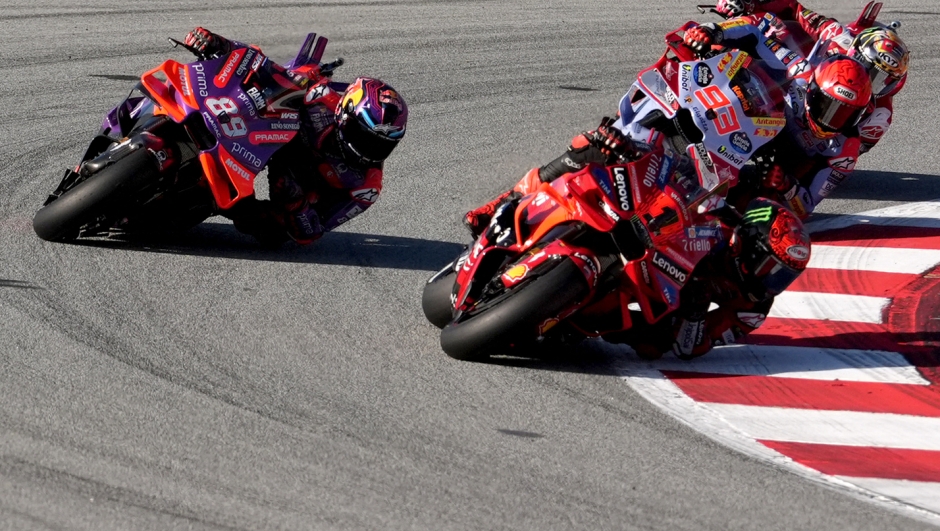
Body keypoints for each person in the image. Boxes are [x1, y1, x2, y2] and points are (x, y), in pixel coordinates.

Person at [183, 27, 409, 245]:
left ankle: (207, 202)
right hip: (271, 134)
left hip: (294, 185)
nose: (368, 150)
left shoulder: (365, 187)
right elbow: (264, 66)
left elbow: (312, 232)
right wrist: (220, 44)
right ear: (344, 113)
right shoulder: (322, 99)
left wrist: (296, 205)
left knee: (274, 232)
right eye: (363, 137)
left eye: (380, 146)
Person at [681, 20, 874, 218]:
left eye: (846, 114)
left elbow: (807, 205)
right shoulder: (800, 70)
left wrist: (787, 185)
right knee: (713, 51)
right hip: (763, 116)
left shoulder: (845, 151)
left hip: (787, 160)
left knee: (766, 208)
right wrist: (715, 31)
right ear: (813, 90)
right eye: (829, 107)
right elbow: (755, 35)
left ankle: (711, 207)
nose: (832, 121)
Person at [605, 198, 811, 359]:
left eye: (784, 276)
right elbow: (690, 189)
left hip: (674, 303)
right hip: (657, 250)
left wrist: (695, 313)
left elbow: (692, 348)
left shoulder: (753, 311)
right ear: (750, 247)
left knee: (653, 347)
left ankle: (606, 319)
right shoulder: (722, 222)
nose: (773, 282)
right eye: (770, 267)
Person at [711, 0, 910, 155]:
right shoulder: (839, 37)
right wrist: (752, 4)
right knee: (771, 25)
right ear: (854, 51)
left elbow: (840, 155)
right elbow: (795, 9)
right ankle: (711, 53)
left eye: (880, 79)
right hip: (792, 81)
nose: (865, 77)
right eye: (868, 68)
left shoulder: (879, 116)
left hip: (802, 137)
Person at [464, 117, 641, 234]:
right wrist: (607, 131)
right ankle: (502, 207)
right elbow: (630, 109)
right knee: (585, 149)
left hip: (651, 191)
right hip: (628, 153)